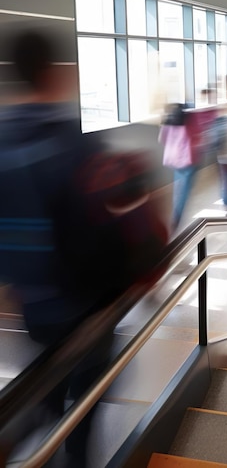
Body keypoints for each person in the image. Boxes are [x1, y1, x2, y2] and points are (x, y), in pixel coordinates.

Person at [0, 28, 118, 465]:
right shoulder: (74, 143)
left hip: (31, 303)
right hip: (82, 304)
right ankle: (73, 453)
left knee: (47, 384)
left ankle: (30, 433)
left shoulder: (3, 138)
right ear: (54, 73)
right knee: (88, 393)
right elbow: (102, 228)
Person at [158, 103, 200, 231]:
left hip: (174, 159)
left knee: (178, 187)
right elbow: (197, 138)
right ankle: (177, 217)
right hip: (187, 159)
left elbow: (161, 139)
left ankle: (175, 212)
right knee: (185, 191)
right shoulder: (189, 121)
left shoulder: (168, 122)